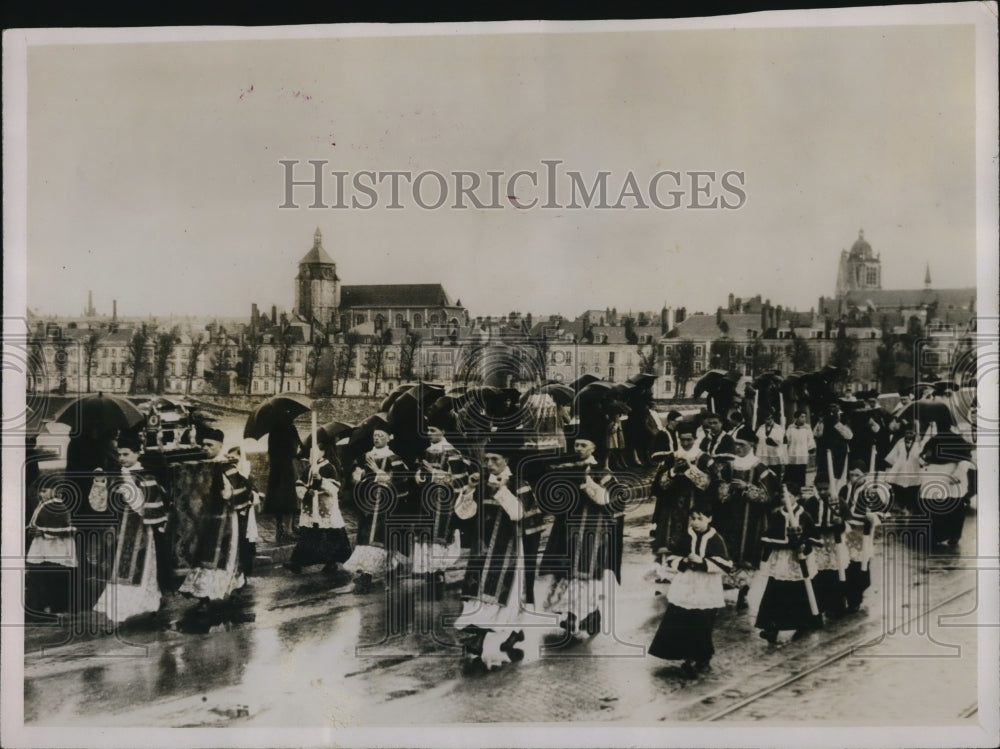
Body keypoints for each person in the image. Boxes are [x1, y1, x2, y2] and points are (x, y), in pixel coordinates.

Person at [455, 438, 546, 670]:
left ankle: (480, 638)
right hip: (483, 548)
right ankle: (511, 632)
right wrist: (470, 489)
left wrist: (502, 491)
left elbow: (519, 514)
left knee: (506, 597)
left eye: (494, 459)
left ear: (507, 460)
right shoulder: (482, 482)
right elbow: (464, 514)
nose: (489, 464)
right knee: (477, 594)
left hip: (510, 551)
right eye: (486, 459)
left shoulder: (519, 484)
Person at [537, 427, 626, 641]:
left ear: (594, 448)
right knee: (566, 573)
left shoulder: (602, 472)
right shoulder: (566, 467)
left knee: (584, 574)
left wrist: (587, 484)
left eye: (583, 445)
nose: (578, 448)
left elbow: (611, 500)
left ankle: (579, 614)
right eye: (576, 444)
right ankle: (582, 614)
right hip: (568, 529)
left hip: (592, 529)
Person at [93, 432, 172, 623]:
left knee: (142, 570)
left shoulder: (146, 476)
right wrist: (100, 484)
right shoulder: (117, 475)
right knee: (118, 570)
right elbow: (100, 506)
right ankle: (118, 612)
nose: (122, 459)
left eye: (126, 454)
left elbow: (149, 509)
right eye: (119, 454)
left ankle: (148, 605)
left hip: (142, 532)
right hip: (120, 532)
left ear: (138, 453)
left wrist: (129, 493)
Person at [648, 500, 732, 677]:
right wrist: (684, 561)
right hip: (687, 583)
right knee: (683, 619)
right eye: (692, 518)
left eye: (699, 518)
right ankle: (684, 654)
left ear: (709, 519)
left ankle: (700, 655)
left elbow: (725, 565)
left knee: (701, 621)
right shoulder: (685, 536)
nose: (695, 522)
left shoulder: (716, 539)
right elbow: (671, 557)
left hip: (706, 586)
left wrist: (703, 562)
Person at [177, 428, 250, 605]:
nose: (205, 448)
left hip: (224, 518)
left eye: (210, 445)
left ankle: (216, 593)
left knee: (222, 556)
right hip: (204, 519)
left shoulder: (227, 466)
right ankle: (202, 590)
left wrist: (230, 493)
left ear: (220, 446)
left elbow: (244, 489)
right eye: (203, 444)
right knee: (202, 554)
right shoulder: (199, 466)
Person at [711, 427, 780, 607]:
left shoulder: (761, 469)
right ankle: (722, 589)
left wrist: (747, 487)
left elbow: (767, 496)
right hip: (728, 518)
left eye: (742, 445)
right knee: (726, 552)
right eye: (736, 445)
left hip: (752, 520)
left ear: (752, 444)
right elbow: (719, 491)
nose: (738, 448)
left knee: (747, 557)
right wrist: (727, 489)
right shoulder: (729, 466)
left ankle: (744, 591)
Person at [343, 419, 411, 592]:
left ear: (389, 438)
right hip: (367, 503)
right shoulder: (365, 456)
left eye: (381, 436)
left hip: (387, 506)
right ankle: (366, 573)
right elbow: (355, 477)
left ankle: (375, 574)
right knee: (366, 537)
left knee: (380, 540)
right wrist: (357, 476)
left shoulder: (394, 459)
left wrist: (377, 472)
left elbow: (401, 481)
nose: (377, 438)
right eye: (375, 436)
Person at [755, 484, 823, 643]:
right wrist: (783, 544)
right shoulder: (777, 515)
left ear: (797, 497)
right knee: (775, 591)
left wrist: (803, 545)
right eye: (782, 497)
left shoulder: (805, 516)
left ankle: (802, 624)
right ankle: (771, 627)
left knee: (799, 592)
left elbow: (815, 538)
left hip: (798, 562)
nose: (785, 500)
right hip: (781, 560)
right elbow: (766, 537)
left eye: (789, 496)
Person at [411, 414, 470, 597]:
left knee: (439, 537)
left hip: (444, 502)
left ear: (443, 432)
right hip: (427, 500)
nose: (429, 433)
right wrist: (420, 476)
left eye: (433, 430)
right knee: (426, 538)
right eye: (428, 430)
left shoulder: (452, 453)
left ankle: (439, 576)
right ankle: (429, 575)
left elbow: (460, 481)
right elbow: (421, 476)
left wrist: (435, 473)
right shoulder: (427, 451)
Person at [285, 439, 353, 578]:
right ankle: (296, 563)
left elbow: (334, 488)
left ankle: (331, 562)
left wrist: (321, 480)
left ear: (322, 452)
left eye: (315, 451)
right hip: (311, 508)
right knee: (308, 535)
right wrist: (304, 491)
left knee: (330, 536)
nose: (312, 454)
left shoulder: (329, 468)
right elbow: (300, 483)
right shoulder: (309, 468)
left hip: (325, 509)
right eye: (311, 452)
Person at [651, 422, 713, 564]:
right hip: (672, 505)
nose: (685, 443)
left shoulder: (704, 459)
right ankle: (671, 568)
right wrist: (672, 471)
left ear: (695, 439)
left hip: (696, 505)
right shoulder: (671, 457)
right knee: (670, 538)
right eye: (682, 439)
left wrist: (690, 469)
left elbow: (707, 485)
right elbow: (660, 484)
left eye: (688, 439)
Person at [25, 479, 78, 620]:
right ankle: (43, 607)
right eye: (40, 491)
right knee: (43, 576)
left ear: (57, 491)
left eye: (44, 491)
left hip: (57, 548)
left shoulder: (56, 506)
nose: (41, 494)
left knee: (54, 576)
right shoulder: (44, 505)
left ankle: (56, 608)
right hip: (45, 547)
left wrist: (42, 531)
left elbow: (65, 529)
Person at [839, 461, 884, 611]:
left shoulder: (870, 491)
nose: (854, 477)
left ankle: (855, 599)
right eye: (851, 474)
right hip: (846, 530)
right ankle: (843, 595)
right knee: (844, 563)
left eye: (857, 475)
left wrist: (873, 516)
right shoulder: (845, 489)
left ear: (864, 475)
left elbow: (881, 512)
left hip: (861, 532)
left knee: (859, 564)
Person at [800, 479, 848, 619]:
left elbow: (847, 523)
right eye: (819, 489)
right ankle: (818, 608)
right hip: (818, 543)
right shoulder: (810, 503)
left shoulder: (839, 502)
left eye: (825, 489)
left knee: (834, 575)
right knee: (817, 575)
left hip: (833, 542)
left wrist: (841, 523)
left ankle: (836, 607)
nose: (822, 492)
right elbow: (805, 523)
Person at [264, 414, 302, 543]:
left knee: (278, 500)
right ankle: (288, 531)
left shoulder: (273, 430)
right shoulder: (289, 429)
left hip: (276, 469)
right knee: (290, 500)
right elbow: (293, 450)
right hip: (287, 469)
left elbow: (271, 451)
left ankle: (280, 530)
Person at [883, 420, 923, 514]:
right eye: (907, 432)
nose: (909, 434)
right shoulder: (900, 442)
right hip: (900, 472)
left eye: (911, 432)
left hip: (914, 471)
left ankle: (910, 510)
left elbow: (922, 457)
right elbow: (891, 457)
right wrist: (899, 464)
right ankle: (902, 508)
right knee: (900, 491)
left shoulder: (920, 443)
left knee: (913, 491)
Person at [813, 402, 853, 485]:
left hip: (840, 448)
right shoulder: (824, 418)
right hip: (826, 448)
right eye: (830, 406)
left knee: (840, 471)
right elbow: (817, 434)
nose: (832, 409)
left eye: (834, 406)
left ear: (839, 406)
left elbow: (849, 436)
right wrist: (820, 422)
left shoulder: (843, 417)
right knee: (826, 468)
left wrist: (837, 424)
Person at [783, 410, 816, 490]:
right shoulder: (790, 427)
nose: (804, 419)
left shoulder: (807, 428)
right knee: (791, 471)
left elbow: (810, 439)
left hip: (802, 453)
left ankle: (800, 488)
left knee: (801, 472)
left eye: (805, 417)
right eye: (802, 417)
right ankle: (790, 488)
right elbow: (787, 440)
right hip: (792, 452)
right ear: (796, 418)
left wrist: (811, 448)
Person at [755, 413, 787, 484]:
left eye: (770, 419)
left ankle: (776, 487)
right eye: (766, 419)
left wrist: (772, 441)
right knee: (764, 472)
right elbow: (757, 438)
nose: (768, 421)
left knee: (775, 472)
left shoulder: (779, 428)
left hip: (774, 454)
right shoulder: (761, 427)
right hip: (764, 453)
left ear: (773, 419)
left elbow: (780, 441)